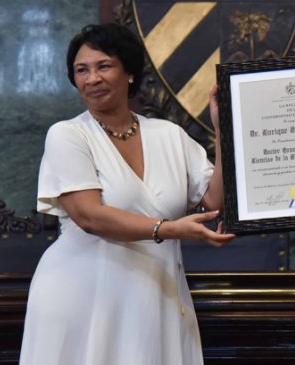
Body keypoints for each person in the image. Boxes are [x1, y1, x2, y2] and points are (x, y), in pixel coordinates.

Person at [19, 23, 235, 365]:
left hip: (155, 292)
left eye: (104, 66)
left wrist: (224, 127)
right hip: (81, 293)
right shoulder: (67, 135)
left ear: (130, 73)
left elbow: (214, 201)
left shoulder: (168, 135)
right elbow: (89, 216)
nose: (92, 78)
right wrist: (169, 229)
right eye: (81, 70)